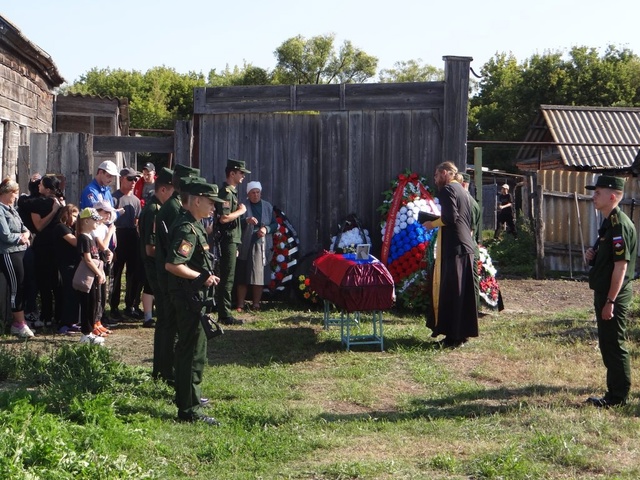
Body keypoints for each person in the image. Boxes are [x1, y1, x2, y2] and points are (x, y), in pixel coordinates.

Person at [165, 178, 223, 425]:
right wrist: (202, 277)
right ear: (197, 200)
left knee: (189, 350)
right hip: (190, 298)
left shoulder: (195, 224)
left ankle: (189, 399)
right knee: (193, 353)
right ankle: (189, 410)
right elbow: (173, 264)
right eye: (211, 202)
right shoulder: (187, 228)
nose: (214, 208)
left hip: (193, 296)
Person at [584, 175, 637, 408]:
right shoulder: (608, 222)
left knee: (614, 345)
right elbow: (609, 259)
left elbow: (621, 267)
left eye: (598, 193)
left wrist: (610, 301)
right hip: (605, 292)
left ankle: (618, 397)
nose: (593, 196)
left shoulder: (619, 225)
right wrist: (593, 255)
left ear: (612, 196)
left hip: (613, 295)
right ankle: (614, 391)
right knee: (607, 343)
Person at [153, 164, 200, 384]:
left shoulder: (174, 206)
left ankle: (164, 369)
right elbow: (175, 251)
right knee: (168, 324)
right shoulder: (174, 208)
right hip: (171, 277)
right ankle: (166, 371)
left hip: (169, 275)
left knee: (168, 324)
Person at [423, 161, 478, 348]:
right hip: (465, 247)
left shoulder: (447, 190)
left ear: (445, 173)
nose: (435, 179)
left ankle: (453, 337)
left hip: (454, 248)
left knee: (452, 292)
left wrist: (432, 224)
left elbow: (449, 218)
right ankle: (461, 335)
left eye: (437, 175)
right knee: (462, 293)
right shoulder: (463, 191)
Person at [215, 159, 250, 325]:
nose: (243, 176)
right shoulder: (226, 193)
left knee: (229, 276)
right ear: (232, 173)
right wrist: (241, 211)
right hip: (227, 238)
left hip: (232, 239)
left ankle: (224, 311)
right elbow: (224, 218)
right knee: (227, 277)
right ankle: (224, 314)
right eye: (241, 172)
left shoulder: (232, 192)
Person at [138, 167, 174, 329]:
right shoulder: (154, 210)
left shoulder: (158, 208)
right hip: (154, 263)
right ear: (163, 189)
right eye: (173, 192)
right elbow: (150, 247)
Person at [0, 177, 35, 338]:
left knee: (23, 285)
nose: (16, 196)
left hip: (21, 251)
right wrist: (21, 237)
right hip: (9, 252)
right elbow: (5, 235)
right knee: (16, 287)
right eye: (15, 193)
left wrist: (26, 233)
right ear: (6, 193)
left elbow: (24, 227)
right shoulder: (0, 210)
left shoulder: (11, 209)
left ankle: (20, 322)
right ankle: (18, 324)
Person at [235, 181, 277, 312]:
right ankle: (241, 304)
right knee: (242, 274)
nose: (255, 195)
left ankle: (256, 304)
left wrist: (266, 229)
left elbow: (275, 224)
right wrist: (246, 220)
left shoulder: (267, 206)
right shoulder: (242, 206)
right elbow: (235, 222)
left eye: (257, 192)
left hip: (261, 243)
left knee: (259, 274)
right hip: (245, 243)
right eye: (253, 192)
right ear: (248, 194)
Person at [30, 174, 65, 328]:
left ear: (48, 189)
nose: (39, 186)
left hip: (46, 246)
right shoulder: (60, 202)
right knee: (54, 282)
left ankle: (47, 317)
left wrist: (53, 211)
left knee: (48, 283)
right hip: (55, 246)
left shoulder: (39, 204)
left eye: (41, 185)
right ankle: (56, 316)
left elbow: (39, 226)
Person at [110, 167, 143, 320]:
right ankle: (114, 306)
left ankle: (130, 305)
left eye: (135, 179)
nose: (133, 182)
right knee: (116, 274)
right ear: (122, 179)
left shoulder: (136, 200)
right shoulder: (114, 198)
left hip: (132, 235)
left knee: (133, 273)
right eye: (130, 179)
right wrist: (112, 247)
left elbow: (136, 221)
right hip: (118, 235)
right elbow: (110, 224)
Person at [75, 207, 107, 345]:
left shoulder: (91, 237)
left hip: (94, 275)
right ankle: (86, 333)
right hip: (88, 276)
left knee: (94, 302)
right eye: (95, 220)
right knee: (88, 303)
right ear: (86, 221)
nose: (97, 223)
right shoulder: (83, 238)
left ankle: (90, 331)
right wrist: (99, 272)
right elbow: (87, 259)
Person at [16, 173, 42, 326]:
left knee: (35, 279)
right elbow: (27, 202)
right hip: (27, 245)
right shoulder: (26, 201)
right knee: (29, 279)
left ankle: (32, 309)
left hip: (39, 245)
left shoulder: (43, 201)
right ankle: (29, 311)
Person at [53, 204, 81, 334]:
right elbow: (75, 242)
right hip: (65, 265)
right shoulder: (61, 227)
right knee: (67, 294)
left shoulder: (71, 228)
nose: (75, 218)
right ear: (67, 215)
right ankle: (63, 323)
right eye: (74, 215)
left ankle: (71, 321)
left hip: (73, 264)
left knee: (73, 294)